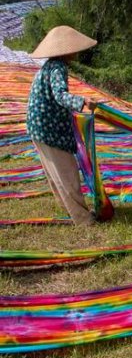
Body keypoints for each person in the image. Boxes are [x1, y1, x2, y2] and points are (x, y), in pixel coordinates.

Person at [26, 26, 99, 225]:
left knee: (56, 172)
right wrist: (82, 101)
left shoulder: (50, 66)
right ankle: (83, 219)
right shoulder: (58, 68)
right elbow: (60, 96)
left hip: (38, 126)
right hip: (47, 127)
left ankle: (71, 210)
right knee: (67, 174)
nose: (76, 51)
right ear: (66, 50)